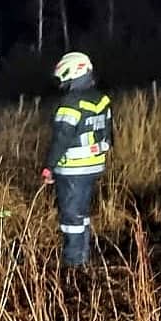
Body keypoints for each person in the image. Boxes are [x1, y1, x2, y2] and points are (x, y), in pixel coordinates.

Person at [40, 52, 114, 266]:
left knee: (71, 217)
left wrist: (49, 166)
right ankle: (83, 256)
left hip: (72, 168)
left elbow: (61, 138)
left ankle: (73, 263)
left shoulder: (70, 103)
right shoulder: (102, 98)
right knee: (82, 214)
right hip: (94, 165)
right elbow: (109, 132)